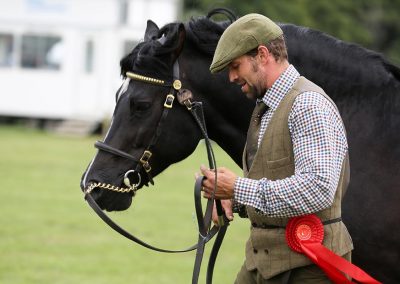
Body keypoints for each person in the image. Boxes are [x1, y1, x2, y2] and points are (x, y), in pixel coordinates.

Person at [199, 13, 353, 283]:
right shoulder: (266, 107)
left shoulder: (307, 105)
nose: (232, 77)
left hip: (312, 268)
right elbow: (279, 181)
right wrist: (233, 199)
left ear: (262, 54)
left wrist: (238, 187)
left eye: (236, 66)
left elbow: (317, 189)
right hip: (262, 264)